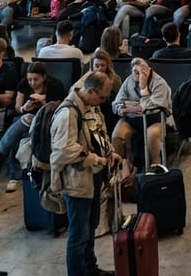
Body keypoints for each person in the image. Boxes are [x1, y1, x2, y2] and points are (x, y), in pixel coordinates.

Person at [50, 71, 118, 276]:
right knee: (79, 235)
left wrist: (110, 151)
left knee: (91, 228)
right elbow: (62, 149)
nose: (103, 101)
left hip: (93, 178)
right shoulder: (68, 113)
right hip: (77, 182)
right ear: (90, 91)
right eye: (102, 97)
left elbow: (100, 133)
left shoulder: (92, 107)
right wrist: (93, 158)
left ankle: (90, 269)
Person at [0, 61, 64, 192]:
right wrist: (24, 108)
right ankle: (17, 173)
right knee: (23, 124)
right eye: (30, 79)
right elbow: (17, 107)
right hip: (24, 117)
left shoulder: (55, 86)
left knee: (22, 127)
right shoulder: (24, 84)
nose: (32, 83)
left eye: (35, 79)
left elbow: (60, 110)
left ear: (44, 77)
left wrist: (44, 103)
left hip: (46, 120)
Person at [111, 57, 172, 175]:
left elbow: (153, 107)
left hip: (155, 119)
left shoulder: (159, 83)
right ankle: (122, 169)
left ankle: (154, 166)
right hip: (131, 119)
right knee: (117, 136)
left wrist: (143, 88)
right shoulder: (129, 81)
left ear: (149, 69)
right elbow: (117, 103)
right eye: (135, 71)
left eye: (142, 70)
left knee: (152, 134)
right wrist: (121, 108)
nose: (139, 74)